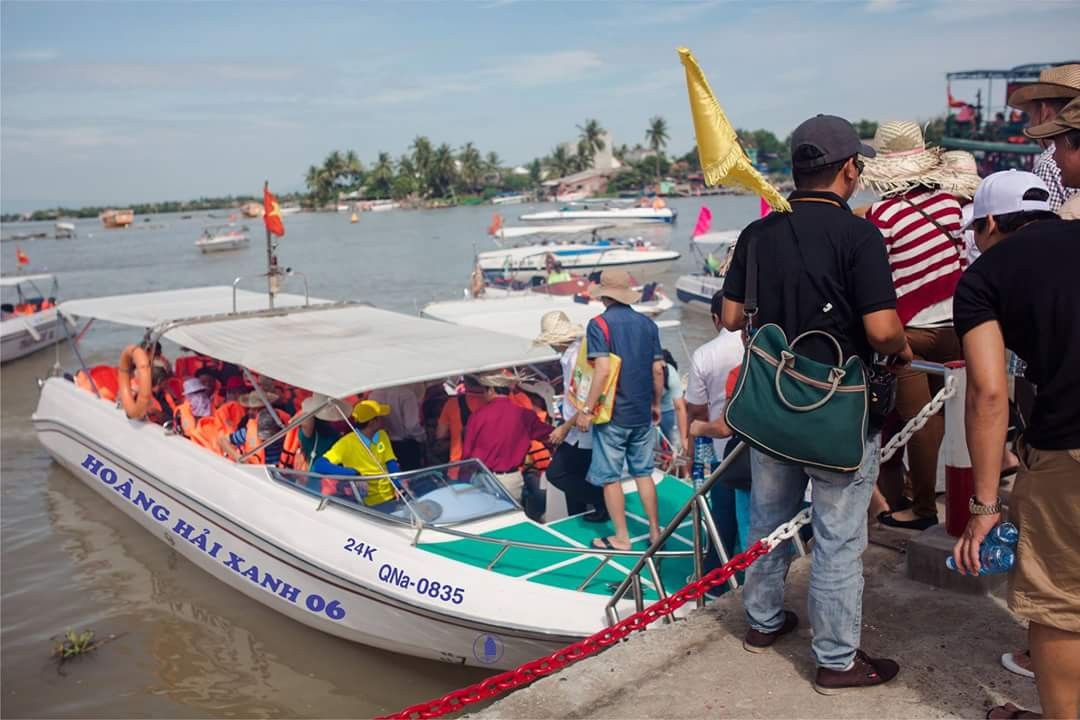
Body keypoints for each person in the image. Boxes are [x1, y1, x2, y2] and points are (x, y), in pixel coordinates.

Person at [721, 114, 911, 693]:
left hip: (772, 410)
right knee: (838, 538)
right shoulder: (858, 235)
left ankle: (762, 622)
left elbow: (731, 318)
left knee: (766, 520)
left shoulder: (758, 233)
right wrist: (904, 347)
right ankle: (834, 659)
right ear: (850, 169)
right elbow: (881, 331)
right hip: (836, 415)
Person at [951, 168, 1079, 720]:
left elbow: (987, 392)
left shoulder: (985, 277)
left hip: (1068, 444)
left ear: (992, 223)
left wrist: (983, 507)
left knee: (1060, 605)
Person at [862, 120, 965, 531]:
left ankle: (923, 510)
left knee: (919, 422)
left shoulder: (882, 214)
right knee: (945, 417)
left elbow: (876, 277)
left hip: (912, 334)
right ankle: (950, 498)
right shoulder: (950, 204)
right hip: (957, 327)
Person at [574, 269, 664, 552]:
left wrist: (586, 409)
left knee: (611, 477)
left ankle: (621, 538)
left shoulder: (599, 324)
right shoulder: (648, 325)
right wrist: (656, 404)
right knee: (644, 473)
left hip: (613, 414)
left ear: (605, 295)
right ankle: (654, 530)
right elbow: (657, 371)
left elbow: (601, 371)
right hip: (641, 412)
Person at [685, 290, 750, 559]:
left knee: (725, 517)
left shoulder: (705, 355)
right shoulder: (764, 348)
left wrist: (694, 437)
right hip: (766, 446)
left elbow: (697, 411)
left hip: (724, 447)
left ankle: (719, 571)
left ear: (716, 318)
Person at [537, 311, 607, 522]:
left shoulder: (578, 357)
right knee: (575, 477)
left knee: (557, 474)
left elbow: (587, 399)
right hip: (575, 427)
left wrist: (564, 427)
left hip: (579, 428)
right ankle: (584, 514)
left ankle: (603, 501)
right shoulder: (571, 355)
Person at [461, 372, 554, 503]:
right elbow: (551, 436)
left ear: (491, 390)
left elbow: (467, 454)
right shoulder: (525, 415)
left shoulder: (477, 416)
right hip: (511, 479)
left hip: (483, 478)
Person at [1008, 63, 1080, 212]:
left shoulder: (1048, 164)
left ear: (1044, 110)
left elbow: (1045, 230)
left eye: (1030, 114)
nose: (1030, 121)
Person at [311, 400, 402, 509]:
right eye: (380, 417)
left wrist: (398, 486)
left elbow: (391, 462)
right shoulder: (346, 443)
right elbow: (319, 466)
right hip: (365, 504)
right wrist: (353, 473)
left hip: (391, 498)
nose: (384, 419)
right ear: (372, 423)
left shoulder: (382, 435)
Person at [218, 392, 285, 466]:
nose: (250, 411)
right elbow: (222, 440)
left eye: (253, 409)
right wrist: (238, 457)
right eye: (251, 409)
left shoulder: (284, 426)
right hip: (258, 469)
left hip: (274, 471)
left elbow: (222, 440)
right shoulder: (248, 430)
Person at [370, 384, 426, 471]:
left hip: (384, 443)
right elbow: (411, 426)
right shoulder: (406, 395)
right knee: (411, 478)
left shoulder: (374, 395)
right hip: (407, 445)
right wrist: (422, 436)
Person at [436, 375, 487, 465]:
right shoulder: (492, 402)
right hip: (487, 464)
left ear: (465, 383)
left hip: (459, 463)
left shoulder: (452, 403)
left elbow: (440, 434)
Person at [658, 349, 688, 457]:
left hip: (668, 410)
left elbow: (680, 408)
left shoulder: (671, 374)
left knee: (676, 444)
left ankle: (684, 472)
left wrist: (684, 438)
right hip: (647, 410)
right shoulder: (641, 370)